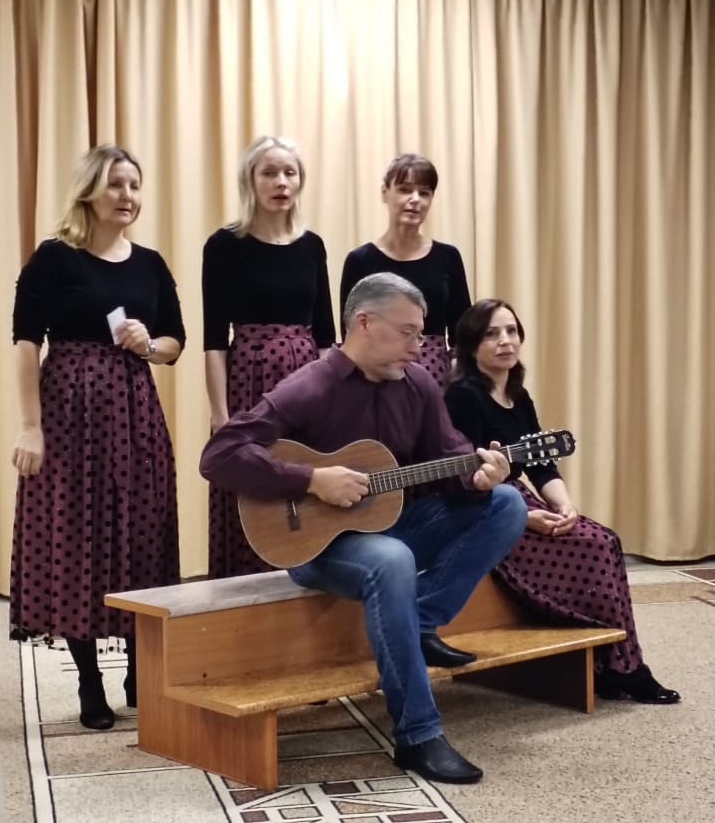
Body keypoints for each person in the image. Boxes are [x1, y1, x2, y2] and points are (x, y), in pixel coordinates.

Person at [200, 272, 527, 784]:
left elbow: (451, 461)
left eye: (421, 334)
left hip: (392, 527)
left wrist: (479, 476)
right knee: (392, 561)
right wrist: (310, 480)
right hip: (315, 546)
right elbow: (219, 456)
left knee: (506, 503)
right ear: (364, 323)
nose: (419, 347)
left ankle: (420, 622)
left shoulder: (419, 384)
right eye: (408, 333)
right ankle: (418, 735)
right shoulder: (309, 386)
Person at [9, 144, 186, 731]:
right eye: (115, 184)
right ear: (89, 191)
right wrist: (30, 426)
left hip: (136, 416)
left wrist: (149, 345)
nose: (127, 196)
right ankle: (89, 680)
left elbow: (175, 343)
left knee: (141, 536)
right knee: (76, 539)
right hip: (69, 417)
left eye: (134, 185)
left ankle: (140, 671)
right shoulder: (54, 258)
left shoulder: (151, 263)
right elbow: (25, 343)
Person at [443, 299, 680, 705]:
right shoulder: (463, 397)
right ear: (471, 345)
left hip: (520, 499)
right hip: (485, 509)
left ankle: (613, 663)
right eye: (491, 334)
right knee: (594, 548)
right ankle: (625, 668)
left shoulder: (518, 395)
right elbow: (461, 477)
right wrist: (525, 516)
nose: (505, 341)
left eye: (511, 331)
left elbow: (541, 463)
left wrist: (564, 505)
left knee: (605, 539)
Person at [202, 136, 336, 579]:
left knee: (307, 476)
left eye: (289, 173)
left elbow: (325, 335)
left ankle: (308, 580)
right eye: (270, 173)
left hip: (308, 378)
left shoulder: (312, 245)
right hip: (250, 377)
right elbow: (214, 340)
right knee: (252, 475)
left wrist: (334, 401)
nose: (281, 182)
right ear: (250, 180)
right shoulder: (223, 245)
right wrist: (220, 415)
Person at [339, 154, 471, 386]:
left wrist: (457, 376)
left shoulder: (448, 257)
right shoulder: (360, 260)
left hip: (435, 374)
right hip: (377, 375)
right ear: (385, 192)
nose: (415, 199)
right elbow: (351, 333)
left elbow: (462, 332)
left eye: (424, 193)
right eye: (405, 190)